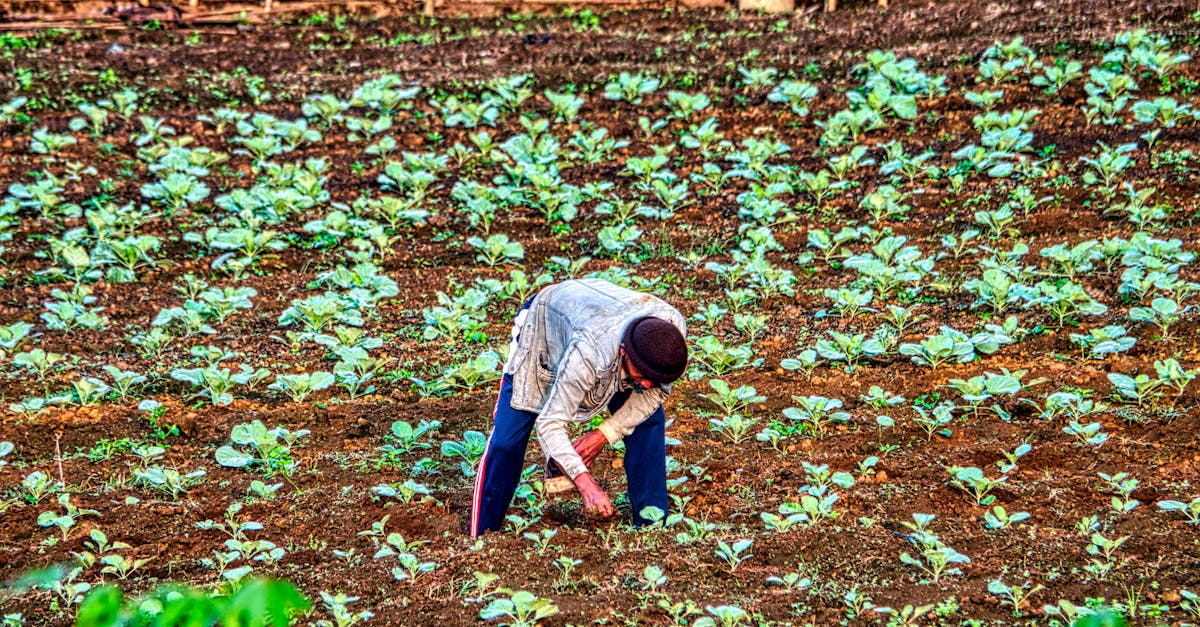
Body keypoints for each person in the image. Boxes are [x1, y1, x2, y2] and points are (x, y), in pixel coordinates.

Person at [469, 278, 688, 537]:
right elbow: (550, 423)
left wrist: (604, 434)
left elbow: (655, 394)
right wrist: (587, 486)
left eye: (655, 378)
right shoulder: (589, 354)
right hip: (544, 326)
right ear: (624, 352)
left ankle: (652, 525)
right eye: (642, 374)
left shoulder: (671, 338)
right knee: (507, 441)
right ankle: (483, 534)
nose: (648, 383)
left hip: (597, 316)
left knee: (647, 421)